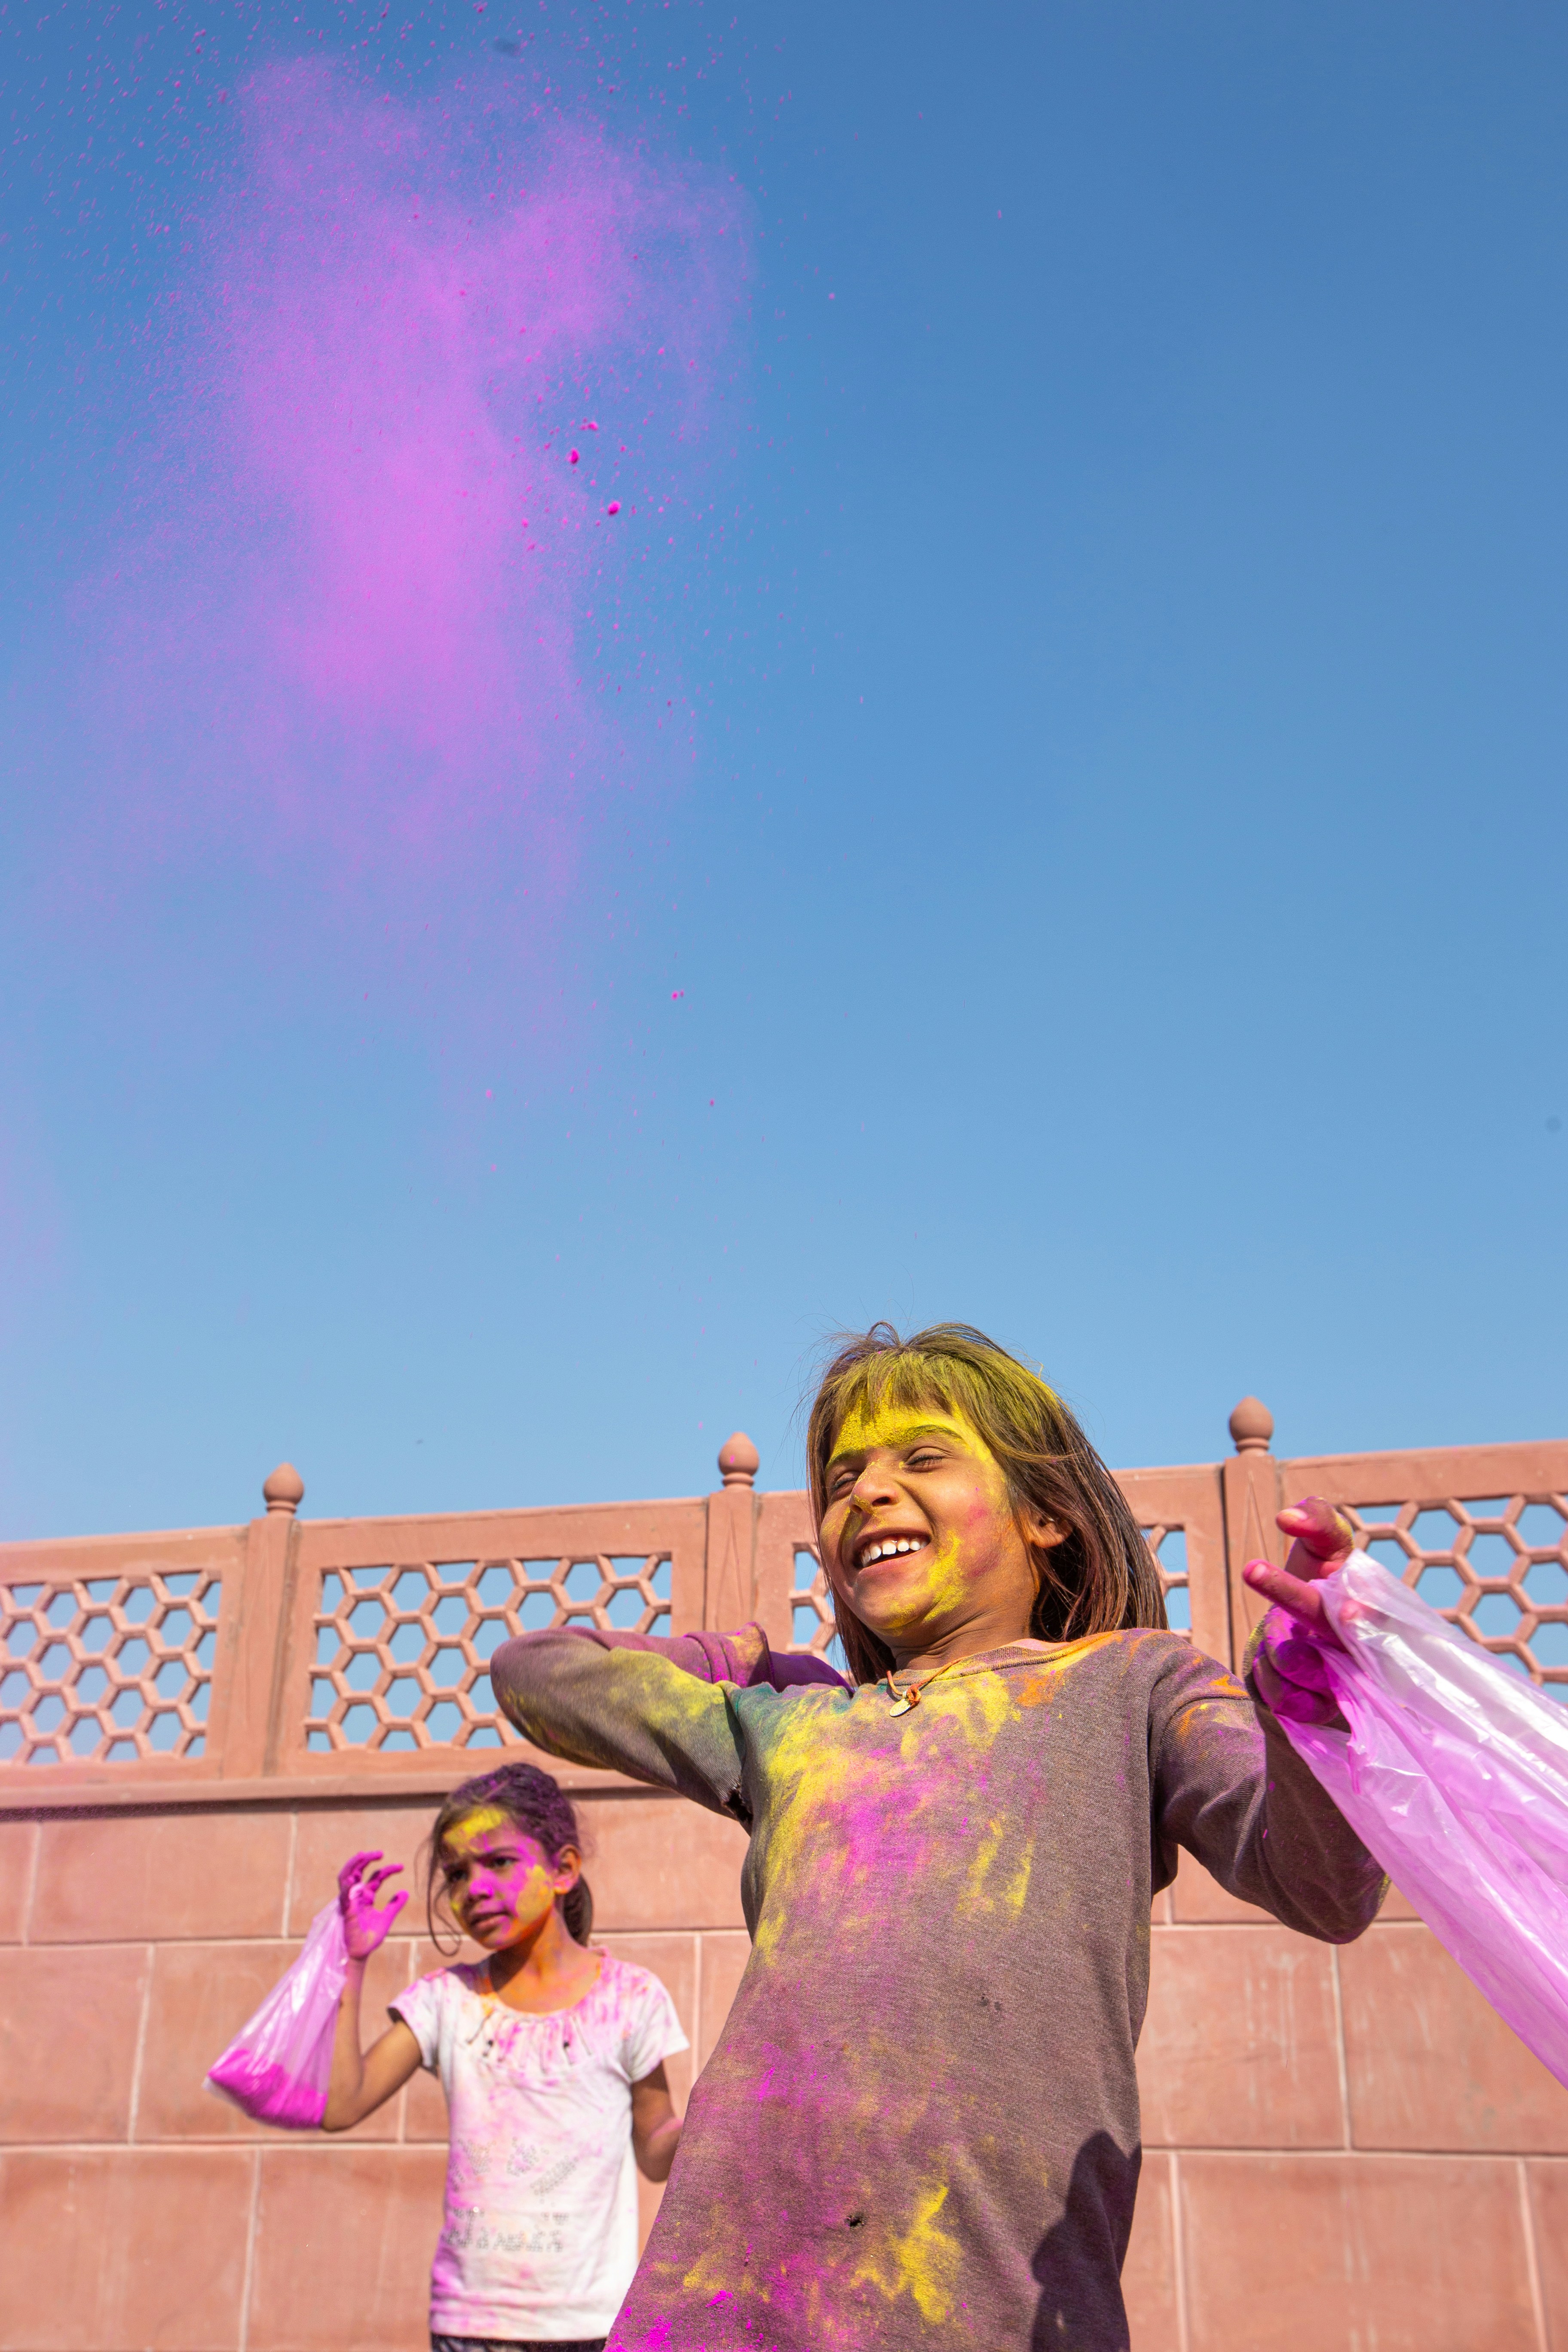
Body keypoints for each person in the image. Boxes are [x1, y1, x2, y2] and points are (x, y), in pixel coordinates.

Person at [492, 1323, 1386, 2352]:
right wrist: (729, 1656)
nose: (867, 1492)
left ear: (1049, 1513)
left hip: (995, 2313)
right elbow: (537, 1670)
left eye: (922, 1457)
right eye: (844, 1478)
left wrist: (1314, 1704)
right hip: (719, 2310)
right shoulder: (794, 1728)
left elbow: (1323, 1889)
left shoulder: (1135, 1684)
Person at [322, 1760, 689, 2352]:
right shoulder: (446, 2002)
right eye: (457, 1875)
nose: (474, 1890)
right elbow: (342, 2104)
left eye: (498, 1862)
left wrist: (711, 2121)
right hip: (472, 2328)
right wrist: (350, 1959)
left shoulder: (632, 1998)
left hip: (593, 2324)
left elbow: (655, 2148)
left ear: (563, 1869)